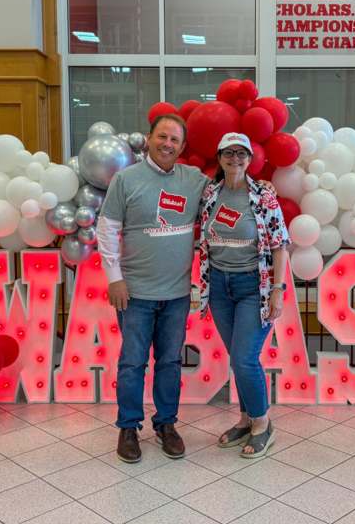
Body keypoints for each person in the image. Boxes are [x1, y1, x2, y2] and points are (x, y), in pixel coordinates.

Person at [97, 113, 208, 463]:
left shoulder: (194, 180)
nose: (168, 144)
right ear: (149, 138)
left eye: (175, 140)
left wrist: (263, 190)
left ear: (183, 147)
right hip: (135, 293)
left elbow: (231, 188)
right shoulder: (126, 180)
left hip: (176, 294)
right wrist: (114, 277)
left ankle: (166, 425)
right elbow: (106, 228)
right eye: (162, 137)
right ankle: (128, 427)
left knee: (170, 362)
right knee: (132, 363)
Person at [198, 132, 290, 458]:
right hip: (220, 287)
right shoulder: (209, 192)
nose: (235, 159)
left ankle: (263, 424)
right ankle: (245, 418)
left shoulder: (263, 196)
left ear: (250, 159)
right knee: (238, 359)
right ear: (220, 157)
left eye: (242, 154)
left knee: (244, 358)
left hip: (255, 287)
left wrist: (277, 291)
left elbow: (280, 246)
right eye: (228, 153)